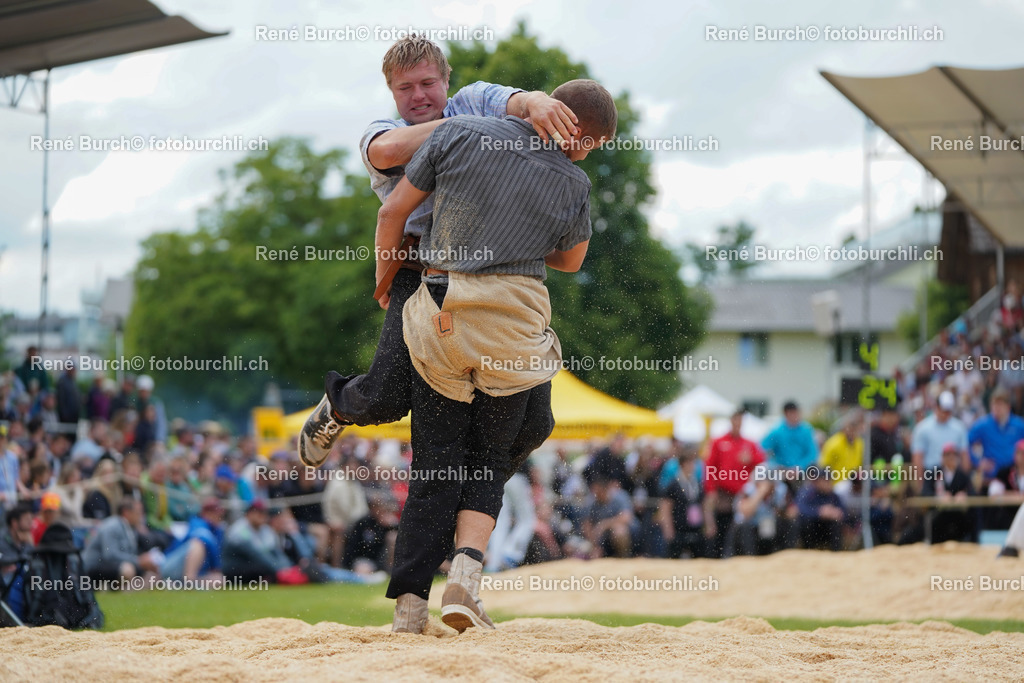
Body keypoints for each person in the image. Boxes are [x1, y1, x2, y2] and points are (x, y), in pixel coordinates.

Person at [372, 77, 615, 633]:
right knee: (496, 448)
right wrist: (524, 231)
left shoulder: (458, 134)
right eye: (594, 144)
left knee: (437, 460)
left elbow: (393, 214)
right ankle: (466, 576)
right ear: (579, 135)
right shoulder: (573, 181)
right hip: (510, 328)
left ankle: (409, 611)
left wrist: (385, 282)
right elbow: (572, 261)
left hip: (441, 312)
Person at [300, 34, 578, 468]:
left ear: (447, 80)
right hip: (419, 271)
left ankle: (478, 490)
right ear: (391, 92)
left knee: (535, 422)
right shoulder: (382, 133)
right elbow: (389, 153)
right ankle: (337, 406)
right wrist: (471, 132)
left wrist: (539, 102)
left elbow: (519, 101)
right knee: (387, 398)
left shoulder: (473, 100)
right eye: (404, 88)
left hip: (492, 272)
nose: (418, 96)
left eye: (427, 83)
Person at [703, 410, 765, 558]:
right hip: (724, 492)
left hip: (743, 494)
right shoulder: (719, 442)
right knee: (722, 527)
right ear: (731, 421)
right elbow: (710, 466)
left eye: (740, 421)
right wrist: (711, 489)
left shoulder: (748, 444)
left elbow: (762, 462)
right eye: (736, 420)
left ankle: (739, 554)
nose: (738, 423)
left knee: (740, 527)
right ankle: (719, 555)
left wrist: (750, 459)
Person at [82, 498, 159, 585]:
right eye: (138, 512)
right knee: (127, 570)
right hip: (94, 567)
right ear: (126, 512)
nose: (141, 516)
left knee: (151, 577)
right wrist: (138, 561)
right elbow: (110, 555)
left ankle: (126, 592)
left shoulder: (131, 528)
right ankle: (110, 589)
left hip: (113, 566)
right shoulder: (112, 526)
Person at [161, 498, 226, 584]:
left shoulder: (217, 530)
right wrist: (216, 566)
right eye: (215, 513)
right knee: (198, 545)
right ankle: (189, 581)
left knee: (218, 579)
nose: (218, 517)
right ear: (206, 513)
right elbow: (204, 537)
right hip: (170, 566)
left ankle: (181, 586)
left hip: (195, 573)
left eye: (219, 514)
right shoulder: (197, 522)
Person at [911, 391, 968, 485]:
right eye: (944, 410)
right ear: (936, 407)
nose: (946, 413)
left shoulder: (959, 428)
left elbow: (964, 455)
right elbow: (918, 458)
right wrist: (919, 484)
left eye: (949, 410)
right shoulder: (922, 428)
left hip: (953, 475)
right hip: (931, 475)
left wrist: (965, 482)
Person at [795, 469, 845, 551]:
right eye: (825, 480)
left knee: (836, 523)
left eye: (829, 480)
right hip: (812, 529)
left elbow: (843, 512)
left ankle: (836, 551)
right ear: (817, 481)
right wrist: (819, 512)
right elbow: (800, 509)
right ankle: (808, 550)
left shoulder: (833, 496)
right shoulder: (807, 493)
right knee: (806, 522)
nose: (828, 483)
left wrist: (835, 513)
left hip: (826, 529)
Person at [762, 401, 818, 472]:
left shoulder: (806, 430)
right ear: (785, 414)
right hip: (782, 472)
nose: (794, 416)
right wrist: (776, 465)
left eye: (796, 413)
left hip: (803, 471)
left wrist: (799, 467)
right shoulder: (777, 431)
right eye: (791, 413)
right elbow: (762, 449)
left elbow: (812, 453)